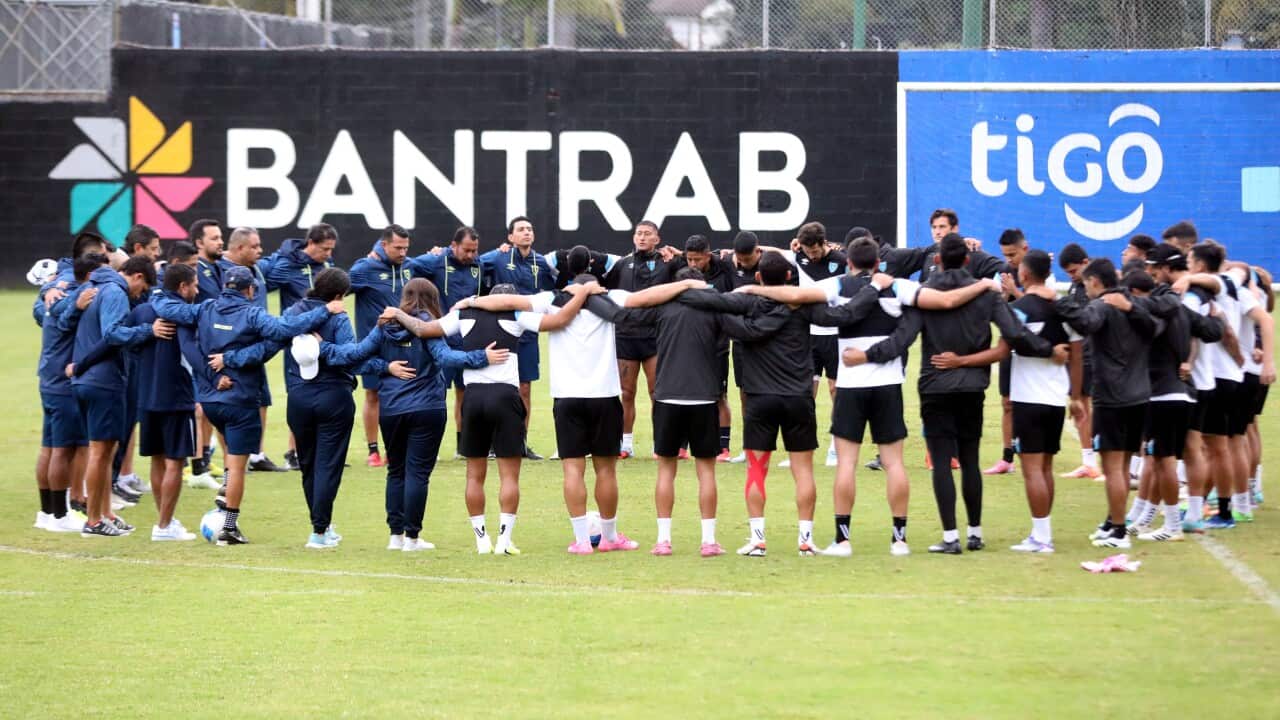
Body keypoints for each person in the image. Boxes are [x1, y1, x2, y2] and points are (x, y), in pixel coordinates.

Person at [737, 237, 1004, 557]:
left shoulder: (838, 285)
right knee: (894, 463)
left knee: (846, 463)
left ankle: (843, 540)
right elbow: (946, 302)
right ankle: (899, 540)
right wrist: (984, 285)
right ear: (878, 263)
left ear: (849, 263)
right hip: (888, 385)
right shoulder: (899, 286)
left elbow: (794, 294)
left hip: (851, 385)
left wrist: (755, 289)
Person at [867, 234, 1057, 555]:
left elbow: (903, 338)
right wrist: (1049, 349)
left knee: (942, 462)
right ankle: (975, 532)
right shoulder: (987, 294)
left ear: (937, 260)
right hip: (972, 387)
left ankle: (950, 536)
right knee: (969, 459)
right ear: (968, 260)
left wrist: (868, 355)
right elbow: (1014, 333)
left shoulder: (925, 293)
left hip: (934, 386)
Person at [386, 281, 596, 555]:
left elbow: (423, 329)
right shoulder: (517, 314)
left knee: (475, 475)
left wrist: (397, 313)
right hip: (505, 398)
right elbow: (559, 320)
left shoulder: (462, 314)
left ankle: (481, 541)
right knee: (509, 476)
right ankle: (504, 542)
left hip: (473, 399)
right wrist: (583, 293)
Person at [158, 265, 342, 545]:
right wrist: (325, 311)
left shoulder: (205, 308)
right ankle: (229, 527)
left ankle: (224, 492)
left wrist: (157, 294)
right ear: (251, 290)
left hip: (210, 402)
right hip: (241, 401)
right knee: (239, 464)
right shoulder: (253, 314)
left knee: (232, 455)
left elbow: (171, 309)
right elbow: (287, 328)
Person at [324, 278, 503, 551]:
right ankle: (412, 537)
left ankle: (395, 536)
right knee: (418, 473)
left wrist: (385, 367)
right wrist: (481, 358)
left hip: (392, 409)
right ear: (431, 299)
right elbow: (445, 358)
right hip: (427, 408)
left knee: (396, 471)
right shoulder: (428, 326)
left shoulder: (384, 325)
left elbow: (356, 356)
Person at [933, 250, 1081, 553]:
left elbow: (1001, 351)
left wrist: (961, 360)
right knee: (1046, 468)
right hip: (1055, 397)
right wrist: (1076, 396)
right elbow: (1077, 356)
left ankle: (1041, 538)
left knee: (1032, 470)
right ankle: (1044, 529)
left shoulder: (1020, 309)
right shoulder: (1065, 309)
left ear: (1024, 274)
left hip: (1028, 397)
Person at [279, 268, 387, 549]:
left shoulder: (293, 313)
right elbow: (348, 356)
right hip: (333, 398)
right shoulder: (338, 317)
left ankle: (322, 526)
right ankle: (319, 531)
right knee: (328, 466)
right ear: (339, 296)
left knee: (308, 465)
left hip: (298, 398)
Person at [1056, 258, 1159, 549]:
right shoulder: (1135, 304)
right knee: (1124, 466)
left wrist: (1061, 304)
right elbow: (1153, 327)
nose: (1085, 289)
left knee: (1113, 468)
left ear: (1095, 282)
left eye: (1086, 283)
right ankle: (1113, 520)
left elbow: (1085, 323)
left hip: (1112, 398)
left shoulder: (1102, 305)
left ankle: (1118, 530)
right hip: (1140, 395)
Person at [1172, 244, 1275, 528]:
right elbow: (1265, 318)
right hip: (1235, 375)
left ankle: (1223, 510)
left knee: (1213, 446)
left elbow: (1261, 317)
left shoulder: (1219, 284)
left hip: (1217, 376)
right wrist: (1266, 361)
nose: (1187, 268)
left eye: (1190, 263)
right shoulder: (1238, 291)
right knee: (1230, 442)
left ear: (1201, 266)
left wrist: (1189, 280)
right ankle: (1234, 505)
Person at [67, 255, 168, 537]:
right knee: (100, 453)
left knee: (105, 451)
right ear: (137, 277)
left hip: (90, 379)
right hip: (103, 381)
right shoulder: (116, 292)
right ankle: (93, 520)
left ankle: (105, 513)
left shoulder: (99, 288)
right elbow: (113, 334)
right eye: (143, 288)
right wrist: (149, 330)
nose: (141, 295)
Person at [478, 216, 555, 460]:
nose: (526, 233)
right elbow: (472, 264)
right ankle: (492, 444)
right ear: (510, 237)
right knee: (498, 388)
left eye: (529, 229)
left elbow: (549, 293)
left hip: (528, 335)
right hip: (499, 332)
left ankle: (520, 442)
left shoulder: (540, 263)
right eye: (521, 230)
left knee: (524, 389)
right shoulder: (497, 258)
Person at [264, 222, 339, 471]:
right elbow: (265, 284)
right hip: (298, 340)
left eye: (331, 250)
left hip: (323, 337)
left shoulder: (324, 268)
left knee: (323, 390)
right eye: (325, 249)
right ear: (311, 244)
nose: (329, 254)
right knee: (300, 393)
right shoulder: (286, 265)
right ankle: (293, 452)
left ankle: (307, 450)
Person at [33, 255, 100, 533]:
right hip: (63, 382)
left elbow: (47, 312)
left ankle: (47, 512)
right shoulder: (70, 297)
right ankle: (60, 516)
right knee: (64, 449)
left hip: (49, 377)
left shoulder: (53, 294)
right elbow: (66, 322)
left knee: (49, 448)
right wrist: (77, 304)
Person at [407, 226, 485, 459]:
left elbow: (498, 260)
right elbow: (407, 264)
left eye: (474, 251)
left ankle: (463, 447)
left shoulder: (479, 265)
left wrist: (504, 248)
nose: (470, 255)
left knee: (465, 394)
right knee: (436, 393)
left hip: (467, 338)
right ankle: (429, 447)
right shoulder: (436, 261)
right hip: (439, 337)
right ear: (453, 246)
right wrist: (432, 255)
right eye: (466, 250)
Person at [605, 220, 679, 459]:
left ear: (657, 239)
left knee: (656, 391)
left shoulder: (667, 264)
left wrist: (675, 253)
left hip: (655, 335)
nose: (642, 238)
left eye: (648, 234)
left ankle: (661, 443)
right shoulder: (622, 265)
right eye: (639, 234)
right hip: (626, 334)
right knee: (626, 392)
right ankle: (625, 444)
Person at [218, 226, 287, 474]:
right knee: (229, 404)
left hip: (257, 349)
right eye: (255, 247)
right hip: (233, 350)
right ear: (239, 248)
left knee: (262, 400)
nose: (260, 251)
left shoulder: (256, 269)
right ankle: (232, 459)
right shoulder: (223, 272)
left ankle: (256, 454)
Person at [783, 221, 847, 468]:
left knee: (835, 390)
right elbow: (775, 253)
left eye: (815, 251)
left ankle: (835, 448)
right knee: (804, 391)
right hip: (807, 334)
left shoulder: (841, 261)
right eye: (808, 251)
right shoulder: (799, 255)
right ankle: (800, 449)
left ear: (824, 243)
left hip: (834, 334)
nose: (812, 255)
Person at [349, 224, 412, 468]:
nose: (402, 252)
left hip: (405, 343)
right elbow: (336, 291)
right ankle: (373, 450)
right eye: (397, 247)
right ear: (383, 245)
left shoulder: (410, 266)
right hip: (373, 345)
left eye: (406, 248)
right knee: (374, 394)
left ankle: (396, 448)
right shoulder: (364, 268)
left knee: (401, 395)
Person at [674, 234, 737, 462]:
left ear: (708, 256)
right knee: (683, 395)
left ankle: (723, 448)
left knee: (718, 396)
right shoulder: (680, 270)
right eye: (689, 259)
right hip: (687, 346)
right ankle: (681, 446)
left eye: (697, 260)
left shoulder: (725, 269)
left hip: (717, 346)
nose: (693, 264)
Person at [1056, 243, 1102, 481]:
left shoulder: (1096, 287)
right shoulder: (1077, 287)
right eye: (1069, 273)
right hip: (1080, 357)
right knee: (1081, 405)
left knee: (1092, 407)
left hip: (1093, 356)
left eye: (1074, 271)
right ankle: (1088, 461)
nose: (1072, 277)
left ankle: (1100, 461)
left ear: (1086, 263)